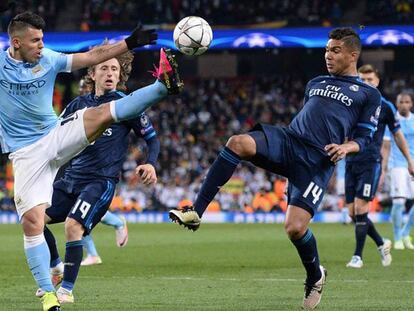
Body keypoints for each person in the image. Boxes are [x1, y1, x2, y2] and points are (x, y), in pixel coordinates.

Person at [170, 27, 381, 309]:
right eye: (327, 50)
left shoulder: (368, 94)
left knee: (294, 229)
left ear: (353, 54)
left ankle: (315, 274)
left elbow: (366, 139)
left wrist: (345, 147)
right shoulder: (315, 82)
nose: (327, 55)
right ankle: (196, 211)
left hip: (317, 160)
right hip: (289, 140)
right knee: (237, 142)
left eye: (335, 50)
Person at [0, 10, 181, 311]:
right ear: (16, 43)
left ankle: (162, 86)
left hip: (54, 135)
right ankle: (48, 292)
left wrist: (129, 43)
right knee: (32, 222)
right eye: (35, 41)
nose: (42, 45)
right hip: (25, 154)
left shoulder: (49, 59)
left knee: (100, 114)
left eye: (43, 39)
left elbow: (91, 56)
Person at [40, 53, 161, 304]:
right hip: (70, 179)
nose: (110, 73)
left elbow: (152, 138)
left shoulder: (126, 104)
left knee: (73, 226)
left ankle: (66, 290)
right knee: (34, 219)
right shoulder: (77, 105)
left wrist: (150, 163)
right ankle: (56, 267)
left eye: (115, 70)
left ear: (120, 75)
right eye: (104, 68)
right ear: (92, 74)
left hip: (100, 181)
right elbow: (56, 138)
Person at [344, 64, 414, 269]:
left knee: (361, 208)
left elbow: (397, 135)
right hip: (350, 162)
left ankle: (357, 256)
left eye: (370, 80)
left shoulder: (385, 106)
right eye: (362, 79)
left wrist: (410, 160)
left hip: (370, 162)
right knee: (352, 213)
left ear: (377, 81)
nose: (366, 83)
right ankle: (382, 243)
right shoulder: (350, 102)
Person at [382, 92, 414, 250]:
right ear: (396, 103)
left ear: (411, 104)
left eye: (407, 101)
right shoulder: (391, 120)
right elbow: (386, 146)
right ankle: (398, 238)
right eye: (401, 101)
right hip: (397, 165)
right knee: (399, 201)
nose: (403, 104)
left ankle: (405, 232)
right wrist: (383, 168)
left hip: (413, 164)